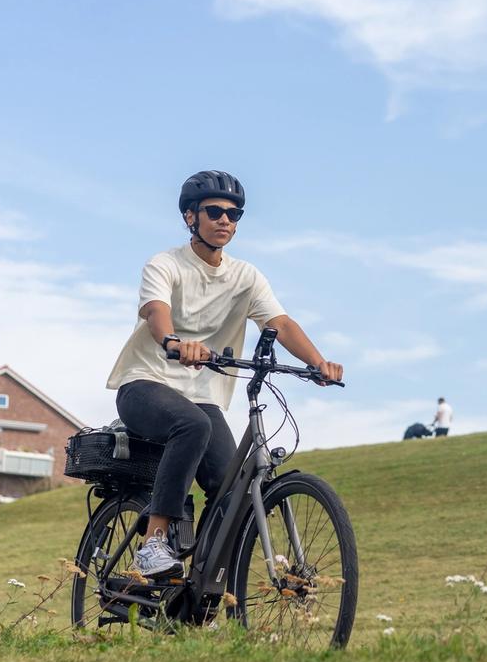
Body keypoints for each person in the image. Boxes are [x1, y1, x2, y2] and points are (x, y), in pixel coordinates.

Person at [105, 170, 343, 578]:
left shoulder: (245, 277)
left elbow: (279, 322)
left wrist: (317, 363)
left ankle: (205, 593)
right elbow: (156, 311)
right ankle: (153, 543)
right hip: (145, 383)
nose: (225, 221)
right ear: (190, 217)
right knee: (192, 425)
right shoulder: (165, 265)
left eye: (234, 215)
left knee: (229, 490)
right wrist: (174, 342)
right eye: (214, 212)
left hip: (201, 395)